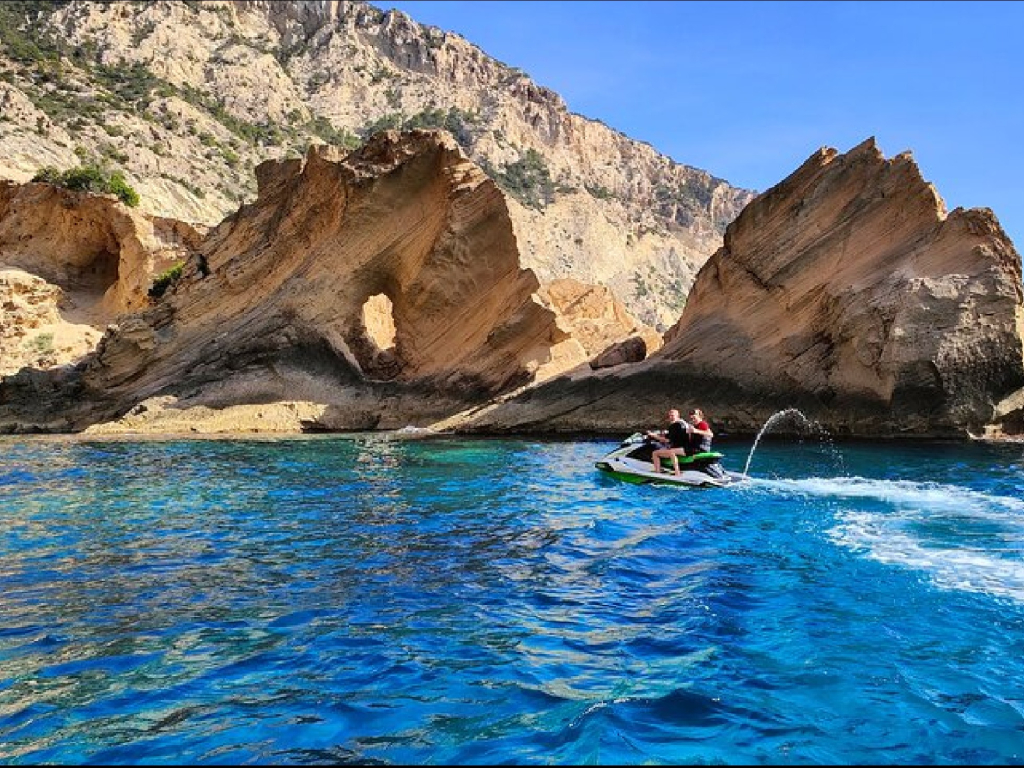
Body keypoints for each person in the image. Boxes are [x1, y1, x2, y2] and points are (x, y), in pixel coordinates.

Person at [646, 408, 691, 475]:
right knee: (667, 449)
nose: (671, 417)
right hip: (686, 447)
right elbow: (674, 435)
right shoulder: (684, 424)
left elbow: (666, 440)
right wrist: (661, 434)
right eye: (670, 416)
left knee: (655, 453)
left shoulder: (675, 425)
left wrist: (653, 436)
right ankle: (667, 468)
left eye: (672, 416)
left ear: (677, 416)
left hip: (679, 448)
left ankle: (658, 471)